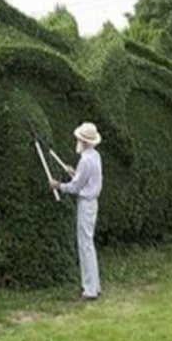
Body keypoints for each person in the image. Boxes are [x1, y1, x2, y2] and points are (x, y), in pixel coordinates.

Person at [49, 121, 103, 301]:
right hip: (91, 203)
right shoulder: (94, 156)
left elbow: (75, 187)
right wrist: (74, 173)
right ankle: (94, 286)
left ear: (85, 141)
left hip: (86, 204)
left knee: (85, 245)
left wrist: (58, 185)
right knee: (89, 245)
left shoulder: (86, 160)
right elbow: (83, 179)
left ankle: (89, 290)